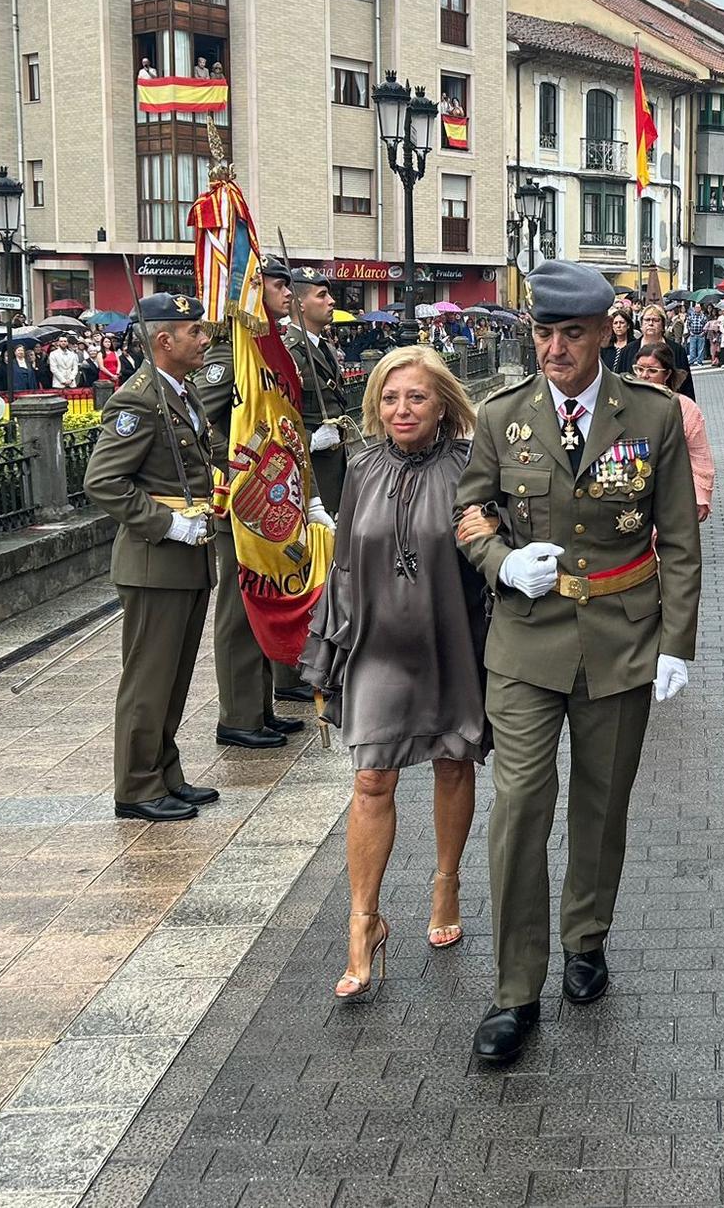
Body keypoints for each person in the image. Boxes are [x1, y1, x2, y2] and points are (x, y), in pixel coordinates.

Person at [455, 258, 701, 1065]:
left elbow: (680, 538)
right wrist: (499, 562)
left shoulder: (654, 414)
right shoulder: (502, 415)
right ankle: (514, 989)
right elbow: (471, 511)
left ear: (606, 333)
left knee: (600, 806)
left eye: (570, 333)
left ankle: (586, 937)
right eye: (544, 332)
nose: (554, 348)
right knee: (521, 805)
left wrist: (676, 644)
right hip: (526, 640)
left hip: (621, 638)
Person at [299, 346, 490, 999]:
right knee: (372, 778)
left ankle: (446, 882)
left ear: (443, 406)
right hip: (378, 647)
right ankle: (363, 922)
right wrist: (328, 652)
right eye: (389, 397)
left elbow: (493, 557)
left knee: (453, 762)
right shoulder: (359, 467)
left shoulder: (472, 467)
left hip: (452, 641)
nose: (400, 409)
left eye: (415, 397)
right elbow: (344, 565)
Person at [82, 292, 218, 822]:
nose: (205, 340)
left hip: (188, 557)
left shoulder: (181, 394)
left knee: (176, 675)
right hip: (154, 559)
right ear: (165, 341)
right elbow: (104, 482)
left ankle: (164, 771)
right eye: (195, 332)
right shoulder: (139, 399)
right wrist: (169, 524)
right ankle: (136, 786)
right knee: (149, 678)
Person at [197, 254, 312, 745]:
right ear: (251, 289)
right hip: (242, 501)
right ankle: (238, 716)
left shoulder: (268, 351)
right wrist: (248, 463)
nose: (288, 292)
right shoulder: (230, 356)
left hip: (273, 498)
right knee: (240, 608)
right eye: (277, 284)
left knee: (265, 601)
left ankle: (260, 708)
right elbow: (200, 430)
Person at [285, 267, 350, 513]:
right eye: (322, 295)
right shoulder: (290, 354)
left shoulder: (325, 347)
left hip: (336, 466)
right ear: (300, 304)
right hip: (310, 470)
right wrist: (311, 440)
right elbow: (278, 417)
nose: (331, 301)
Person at [632, 343, 713, 521]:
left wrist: (701, 497)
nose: (644, 376)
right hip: (630, 493)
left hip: (673, 491)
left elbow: (699, 455)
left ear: (667, 374)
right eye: (639, 369)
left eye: (652, 371)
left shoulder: (685, 407)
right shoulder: (622, 403)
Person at [602, 308, 640, 374]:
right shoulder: (606, 346)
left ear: (628, 325)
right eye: (615, 323)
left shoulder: (635, 346)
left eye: (622, 323)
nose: (618, 326)